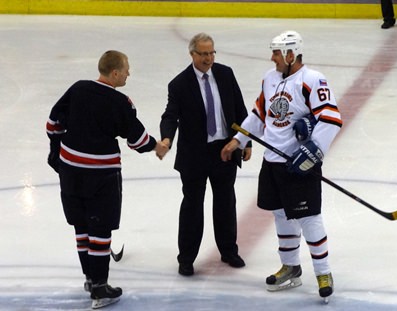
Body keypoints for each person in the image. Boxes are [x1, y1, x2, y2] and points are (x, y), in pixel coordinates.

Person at [220, 31, 342, 301]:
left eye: (276, 52)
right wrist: (238, 140)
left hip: (300, 164)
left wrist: (313, 151)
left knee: (309, 218)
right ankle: (290, 266)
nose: (272, 57)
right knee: (281, 215)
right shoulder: (270, 78)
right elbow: (259, 115)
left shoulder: (312, 80)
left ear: (290, 54)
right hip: (273, 163)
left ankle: (323, 272)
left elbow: (331, 118)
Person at [46, 50, 168, 309]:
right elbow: (138, 140)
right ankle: (100, 288)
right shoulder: (120, 102)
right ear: (115, 73)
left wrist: (57, 151)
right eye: (126, 69)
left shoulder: (77, 89)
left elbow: (52, 123)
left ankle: (90, 279)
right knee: (100, 231)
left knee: (81, 226)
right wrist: (158, 146)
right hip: (101, 176)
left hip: (70, 172)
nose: (128, 73)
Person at [158, 32, 251, 276]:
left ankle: (229, 251)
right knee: (192, 206)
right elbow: (170, 116)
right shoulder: (179, 84)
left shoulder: (225, 74)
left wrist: (245, 141)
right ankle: (186, 258)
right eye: (203, 54)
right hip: (194, 156)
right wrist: (167, 137)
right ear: (192, 54)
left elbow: (240, 108)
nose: (209, 58)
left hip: (224, 150)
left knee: (225, 203)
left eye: (212, 53)